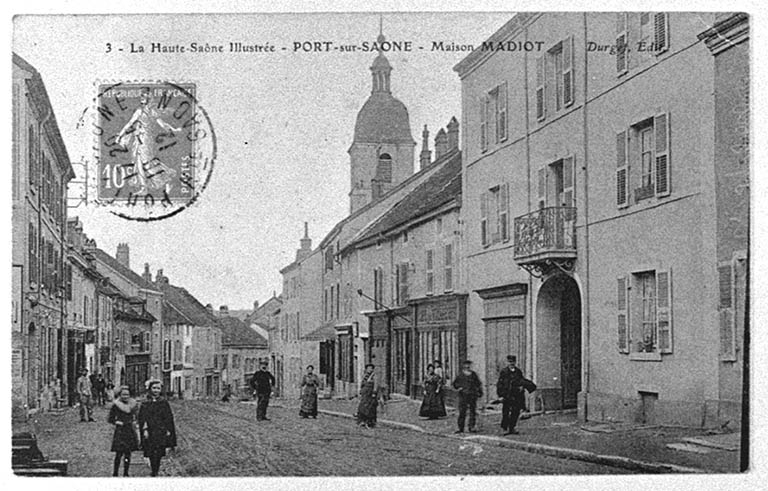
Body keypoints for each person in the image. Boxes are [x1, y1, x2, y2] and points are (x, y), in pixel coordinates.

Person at [116, 87, 180, 194]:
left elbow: (162, 124)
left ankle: (167, 180)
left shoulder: (152, 112)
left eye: (144, 96)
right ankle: (143, 188)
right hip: (139, 139)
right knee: (138, 163)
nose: (141, 98)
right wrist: (120, 135)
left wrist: (173, 129)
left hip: (146, 140)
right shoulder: (139, 111)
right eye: (141, 96)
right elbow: (129, 124)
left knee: (147, 163)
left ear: (149, 98)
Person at [138, 379, 177, 477]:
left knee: (159, 451)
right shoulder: (146, 403)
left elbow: (168, 417)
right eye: (154, 388)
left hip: (160, 430)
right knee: (151, 451)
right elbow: (142, 418)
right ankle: (153, 469)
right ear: (150, 389)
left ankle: (156, 470)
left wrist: (168, 430)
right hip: (149, 430)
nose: (156, 390)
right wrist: (145, 429)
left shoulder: (163, 402)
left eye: (158, 388)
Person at [107, 385, 139, 477]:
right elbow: (110, 418)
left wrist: (135, 422)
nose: (125, 396)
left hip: (129, 430)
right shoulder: (116, 405)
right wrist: (116, 422)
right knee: (119, 453)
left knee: (128, 453)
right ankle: (115, 472)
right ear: (120, 395)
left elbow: (136, 416)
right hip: (120, 431)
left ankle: (126, 472)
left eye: (127, 395)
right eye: (123, 395)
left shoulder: (133, 404)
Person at [497, 355, 526, 435]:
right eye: (510, 362)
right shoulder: (504, 372)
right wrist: (500, 395)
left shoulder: (518, 372)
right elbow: (500, 384)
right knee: (506, 412)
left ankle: (512, 427)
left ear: (515, 362)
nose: (511, 363)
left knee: (515, 412)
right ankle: (504, 428)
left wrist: (522, 387)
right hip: (507, 395)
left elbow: (522, 381)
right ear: (507, 362)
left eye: (513, 362)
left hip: (516, 395)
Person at [452, 360, 483, 434]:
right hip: (463, 395)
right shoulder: (460, 375)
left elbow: (478, 384)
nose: (467, 366)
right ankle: (460, 427)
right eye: (466, 365)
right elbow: (455, 383)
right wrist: (459, 388)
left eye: (469, 365)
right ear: (464, 366)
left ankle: (471, 427)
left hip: (472, 395)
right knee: (462, 411)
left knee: (472, 411)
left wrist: (479, 392)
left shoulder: (474, 374)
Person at [357, 364, 381, 428]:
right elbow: (362, 384)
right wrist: (361, 391)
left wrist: (374, 393)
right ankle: (362, 421)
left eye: (371, 368)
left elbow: (376, 385)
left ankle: (370, 422)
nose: (369, 370)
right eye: (368, 368)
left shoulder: (374, 376)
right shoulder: (365, 376)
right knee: (362, 407)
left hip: (370, 394)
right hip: (365, 394)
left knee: (370, 408)